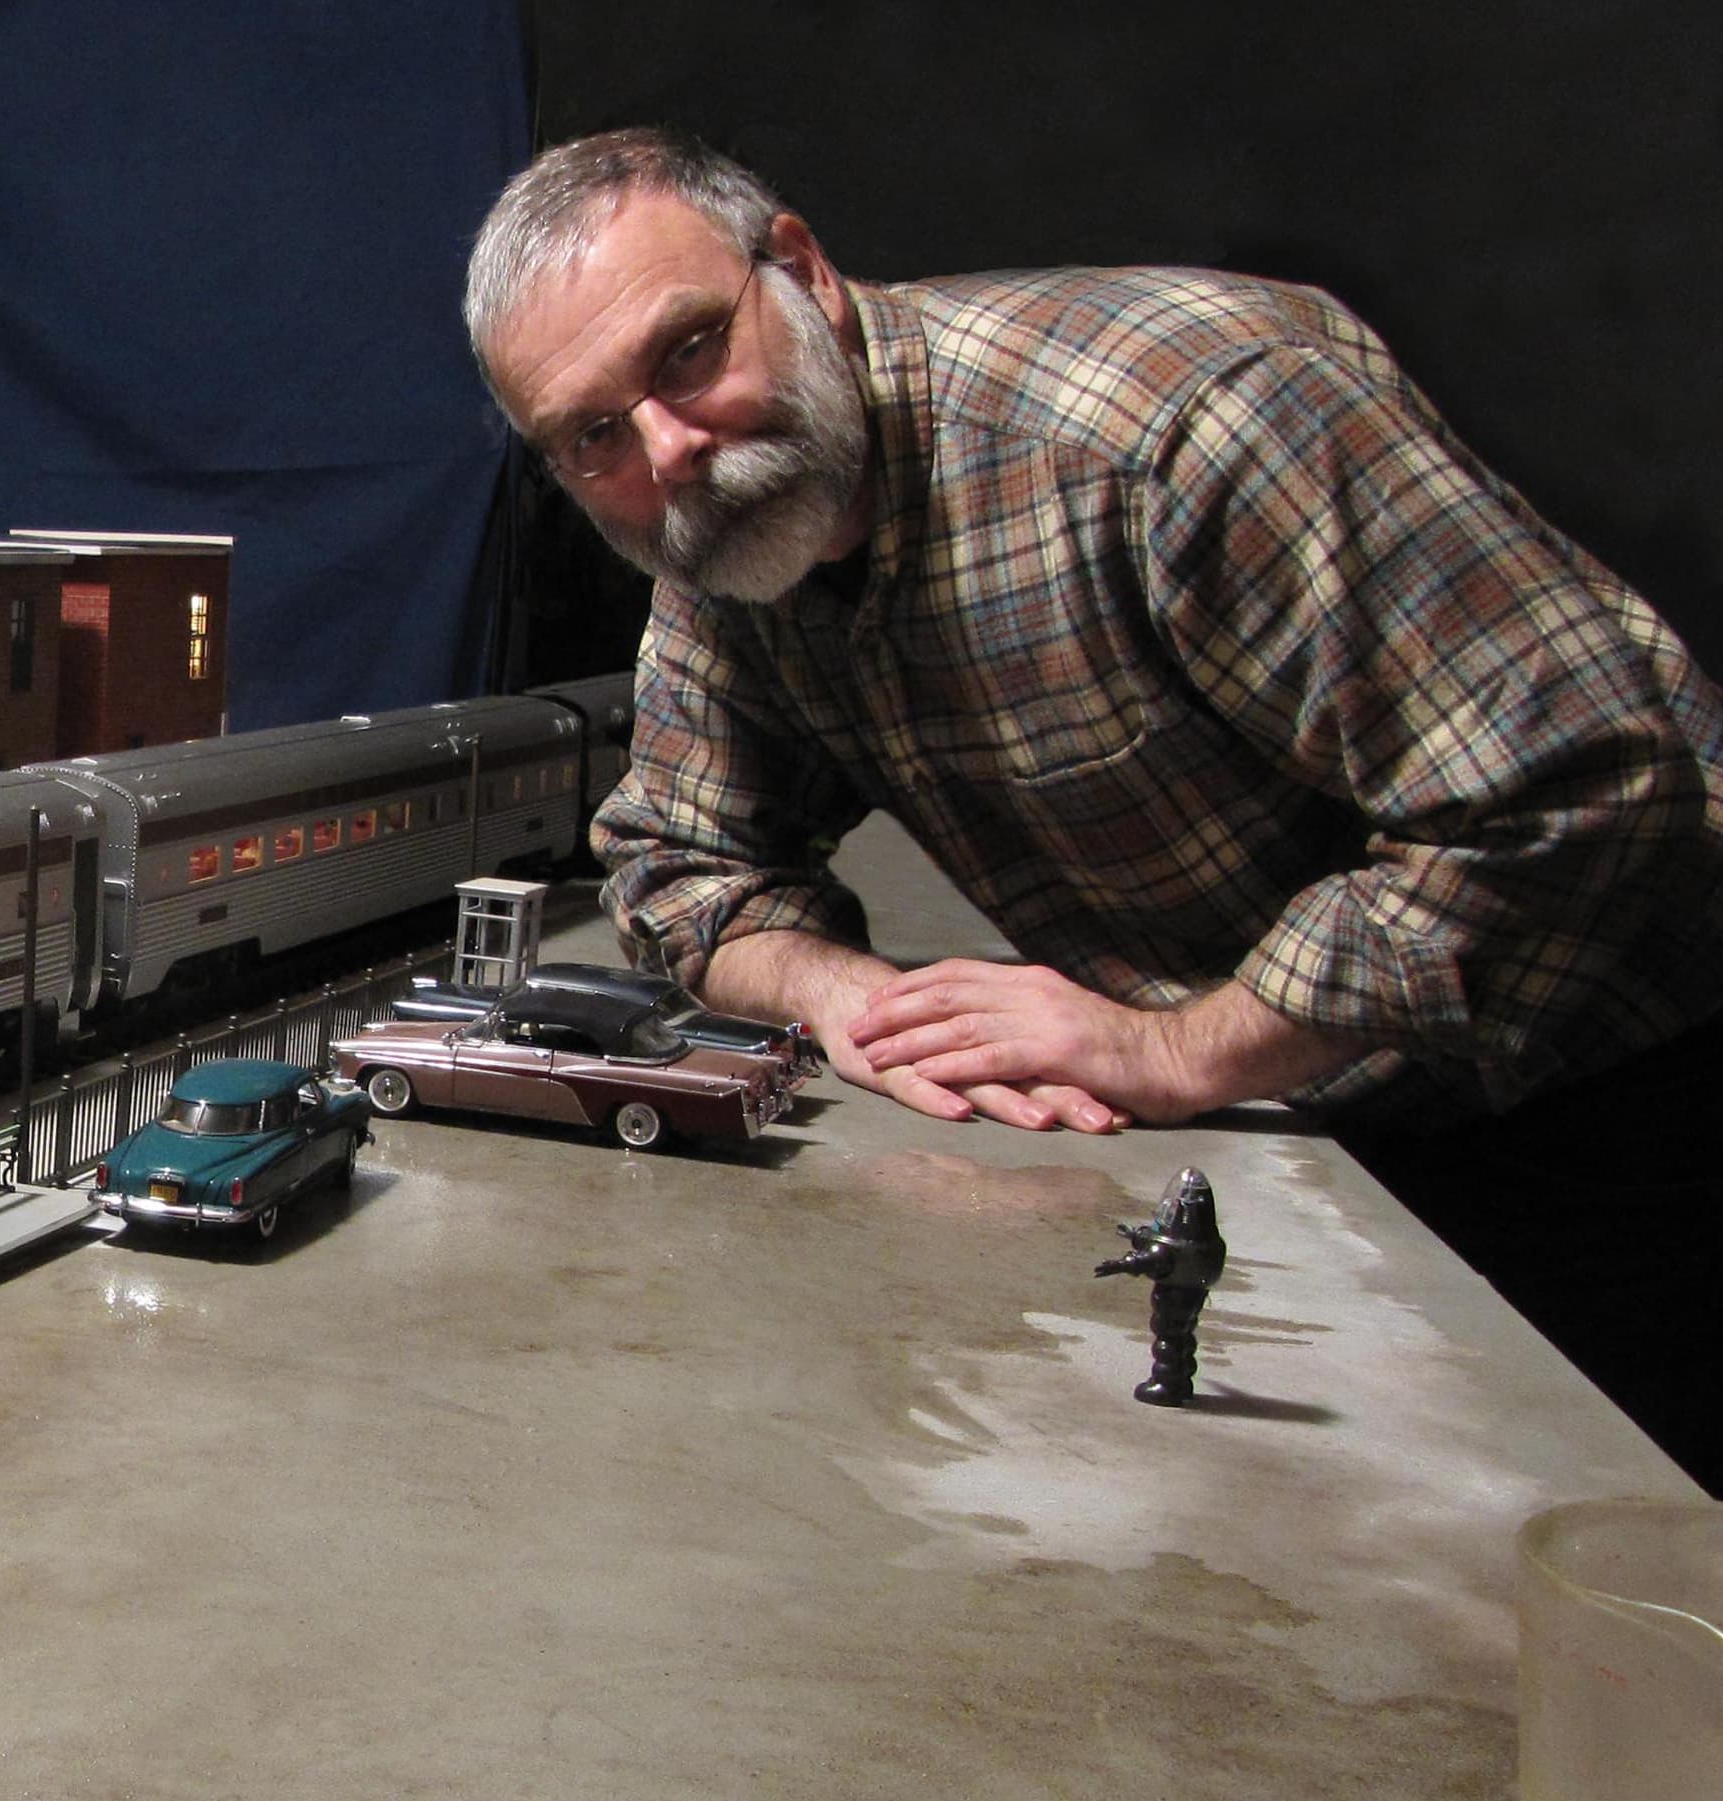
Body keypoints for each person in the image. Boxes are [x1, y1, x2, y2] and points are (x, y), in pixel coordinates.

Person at [464, 127, 1723, 1486]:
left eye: (688, 349)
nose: (666, 447)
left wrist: (1171, 1051)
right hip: (1313, 1135)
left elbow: (1575, 789)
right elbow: (672, 864)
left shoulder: (1187, 421)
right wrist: (847, 1000)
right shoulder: (716, 537)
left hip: (1626, 1087)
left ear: (800, 272)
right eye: (592, 434)